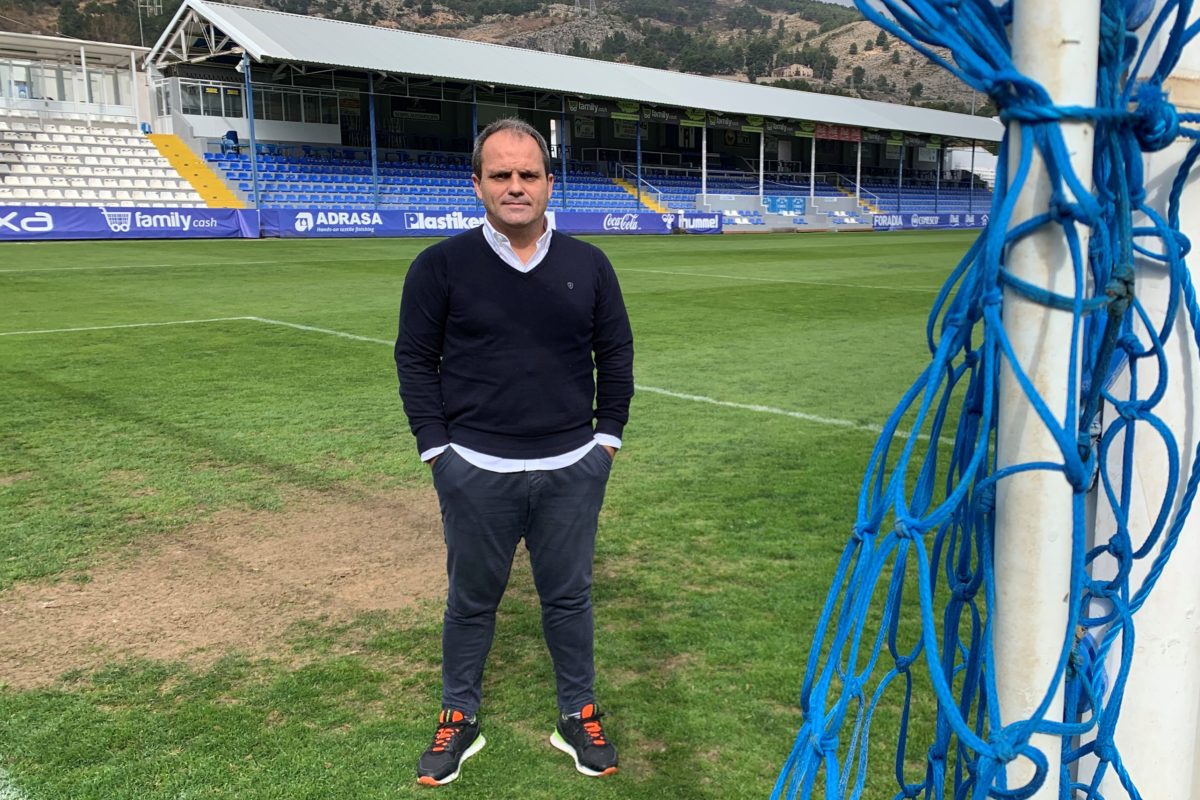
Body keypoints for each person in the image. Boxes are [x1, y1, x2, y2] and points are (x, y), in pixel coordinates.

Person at [394, 117, 635, 787]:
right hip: (475, 470)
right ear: (477, 185)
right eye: (500, 174)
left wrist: (605, 441)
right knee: (470, 601)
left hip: (571, 469)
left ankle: (577, 715)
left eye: (528, 173)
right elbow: (414, 359)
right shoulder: (439, 266)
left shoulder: (589, 264)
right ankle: (458, 717)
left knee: (569, 599)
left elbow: (614, 354)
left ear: (550, 183)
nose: (515, 185)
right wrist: (437, 452)